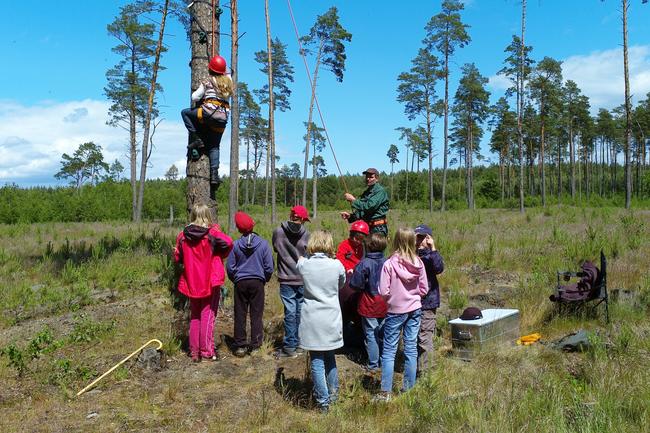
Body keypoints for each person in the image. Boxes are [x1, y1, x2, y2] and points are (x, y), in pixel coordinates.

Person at [174, 204, 233, 362]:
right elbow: (228, 243)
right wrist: (219, 252)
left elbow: (177, 257)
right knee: (207, 315)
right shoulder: (212, 233)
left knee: (195, 316)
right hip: (209, 280)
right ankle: (206, 350)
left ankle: (194, 352)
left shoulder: (182, 235)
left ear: (192, 215)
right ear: (207, 215)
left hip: (192, 281)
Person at [376, 227, 428, 401]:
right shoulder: (418, 263)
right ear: (413, 241)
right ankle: (409, 389)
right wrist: (413, 297)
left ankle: (386, 392)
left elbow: (383, 290)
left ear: (396, 241)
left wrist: (393, 298)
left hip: (395, 310)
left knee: (389, 351)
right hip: (414, 309)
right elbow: (424, 289)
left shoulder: (389, 264)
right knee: (411, 348)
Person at [296, 231, 346, 412]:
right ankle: (334, 395)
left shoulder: (304, 265)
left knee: (317, 360)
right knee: (330, 358)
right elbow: (341, 284)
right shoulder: (337, 265)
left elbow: (299, 263)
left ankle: (323, 401)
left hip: (312, 318)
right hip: (331, 317)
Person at [181, 55, 234, 197]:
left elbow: (195, 98)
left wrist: (202, 87)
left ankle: (196, 138)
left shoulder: (208, 81)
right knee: (214, 146)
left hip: (207, 115)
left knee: (185, 113)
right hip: (222, 120)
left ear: (210, 70)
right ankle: (214, 175)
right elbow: (227, 73)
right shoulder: (229, 82)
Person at [226, 211, 274, 357]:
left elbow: (230, 267)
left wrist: (236, 279)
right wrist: (264, 279)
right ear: (253, 226)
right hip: (257, 282)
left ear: (239, 229)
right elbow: (269, 267)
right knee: (256, 314)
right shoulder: (264, 244)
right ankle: (256, 345)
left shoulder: (235, 245)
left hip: (240, 282)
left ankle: (240, 345)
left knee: (240, 313)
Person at [272, 205, 311, 358]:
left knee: (290, 312)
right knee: (300, 311)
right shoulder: (307, 234)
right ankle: (301, 344)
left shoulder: (278, 232)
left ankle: (290, 346)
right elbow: (308, 254)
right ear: (302, 219)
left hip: (286, 278)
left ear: (291, 216)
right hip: (302, 277)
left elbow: (276, 248)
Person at [348, 233, 388, 373]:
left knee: (371, 334)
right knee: (383, 333)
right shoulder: (387, 262)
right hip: (386, 303)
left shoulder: (364, 263)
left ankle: (373, 365)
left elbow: (355, 285)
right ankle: (385, 362)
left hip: (369, 304)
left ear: (368, 247)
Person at [414, 224, 444, 373]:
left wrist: (432, 248)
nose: (419, 242)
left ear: (428, 239)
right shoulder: (411, 255)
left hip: (428, 303)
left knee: (425, 338)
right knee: (414, 338)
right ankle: (417, 368)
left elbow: (439, 268)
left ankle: (427, 372)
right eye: (417, 238)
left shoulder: (431, 256)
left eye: (423, 238)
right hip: (412, 303)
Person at [336, 220, 368, 347]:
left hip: (358, 280)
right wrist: (346, 268)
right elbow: (339, 259)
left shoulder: (364, 247)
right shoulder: (344, 245)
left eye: (360, 239)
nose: (356, 240)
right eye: (354, 237)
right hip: (346, 279)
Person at [340, 168, 389, 236]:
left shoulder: (380, 191)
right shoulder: (366, 193)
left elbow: (369, 207)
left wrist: (353, 200)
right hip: (367, 228)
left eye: (371, 177)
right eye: (367, 176)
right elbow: (363, 212)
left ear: (377, 179)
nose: (368, 179)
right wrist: (350, 216)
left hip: (378, 229)